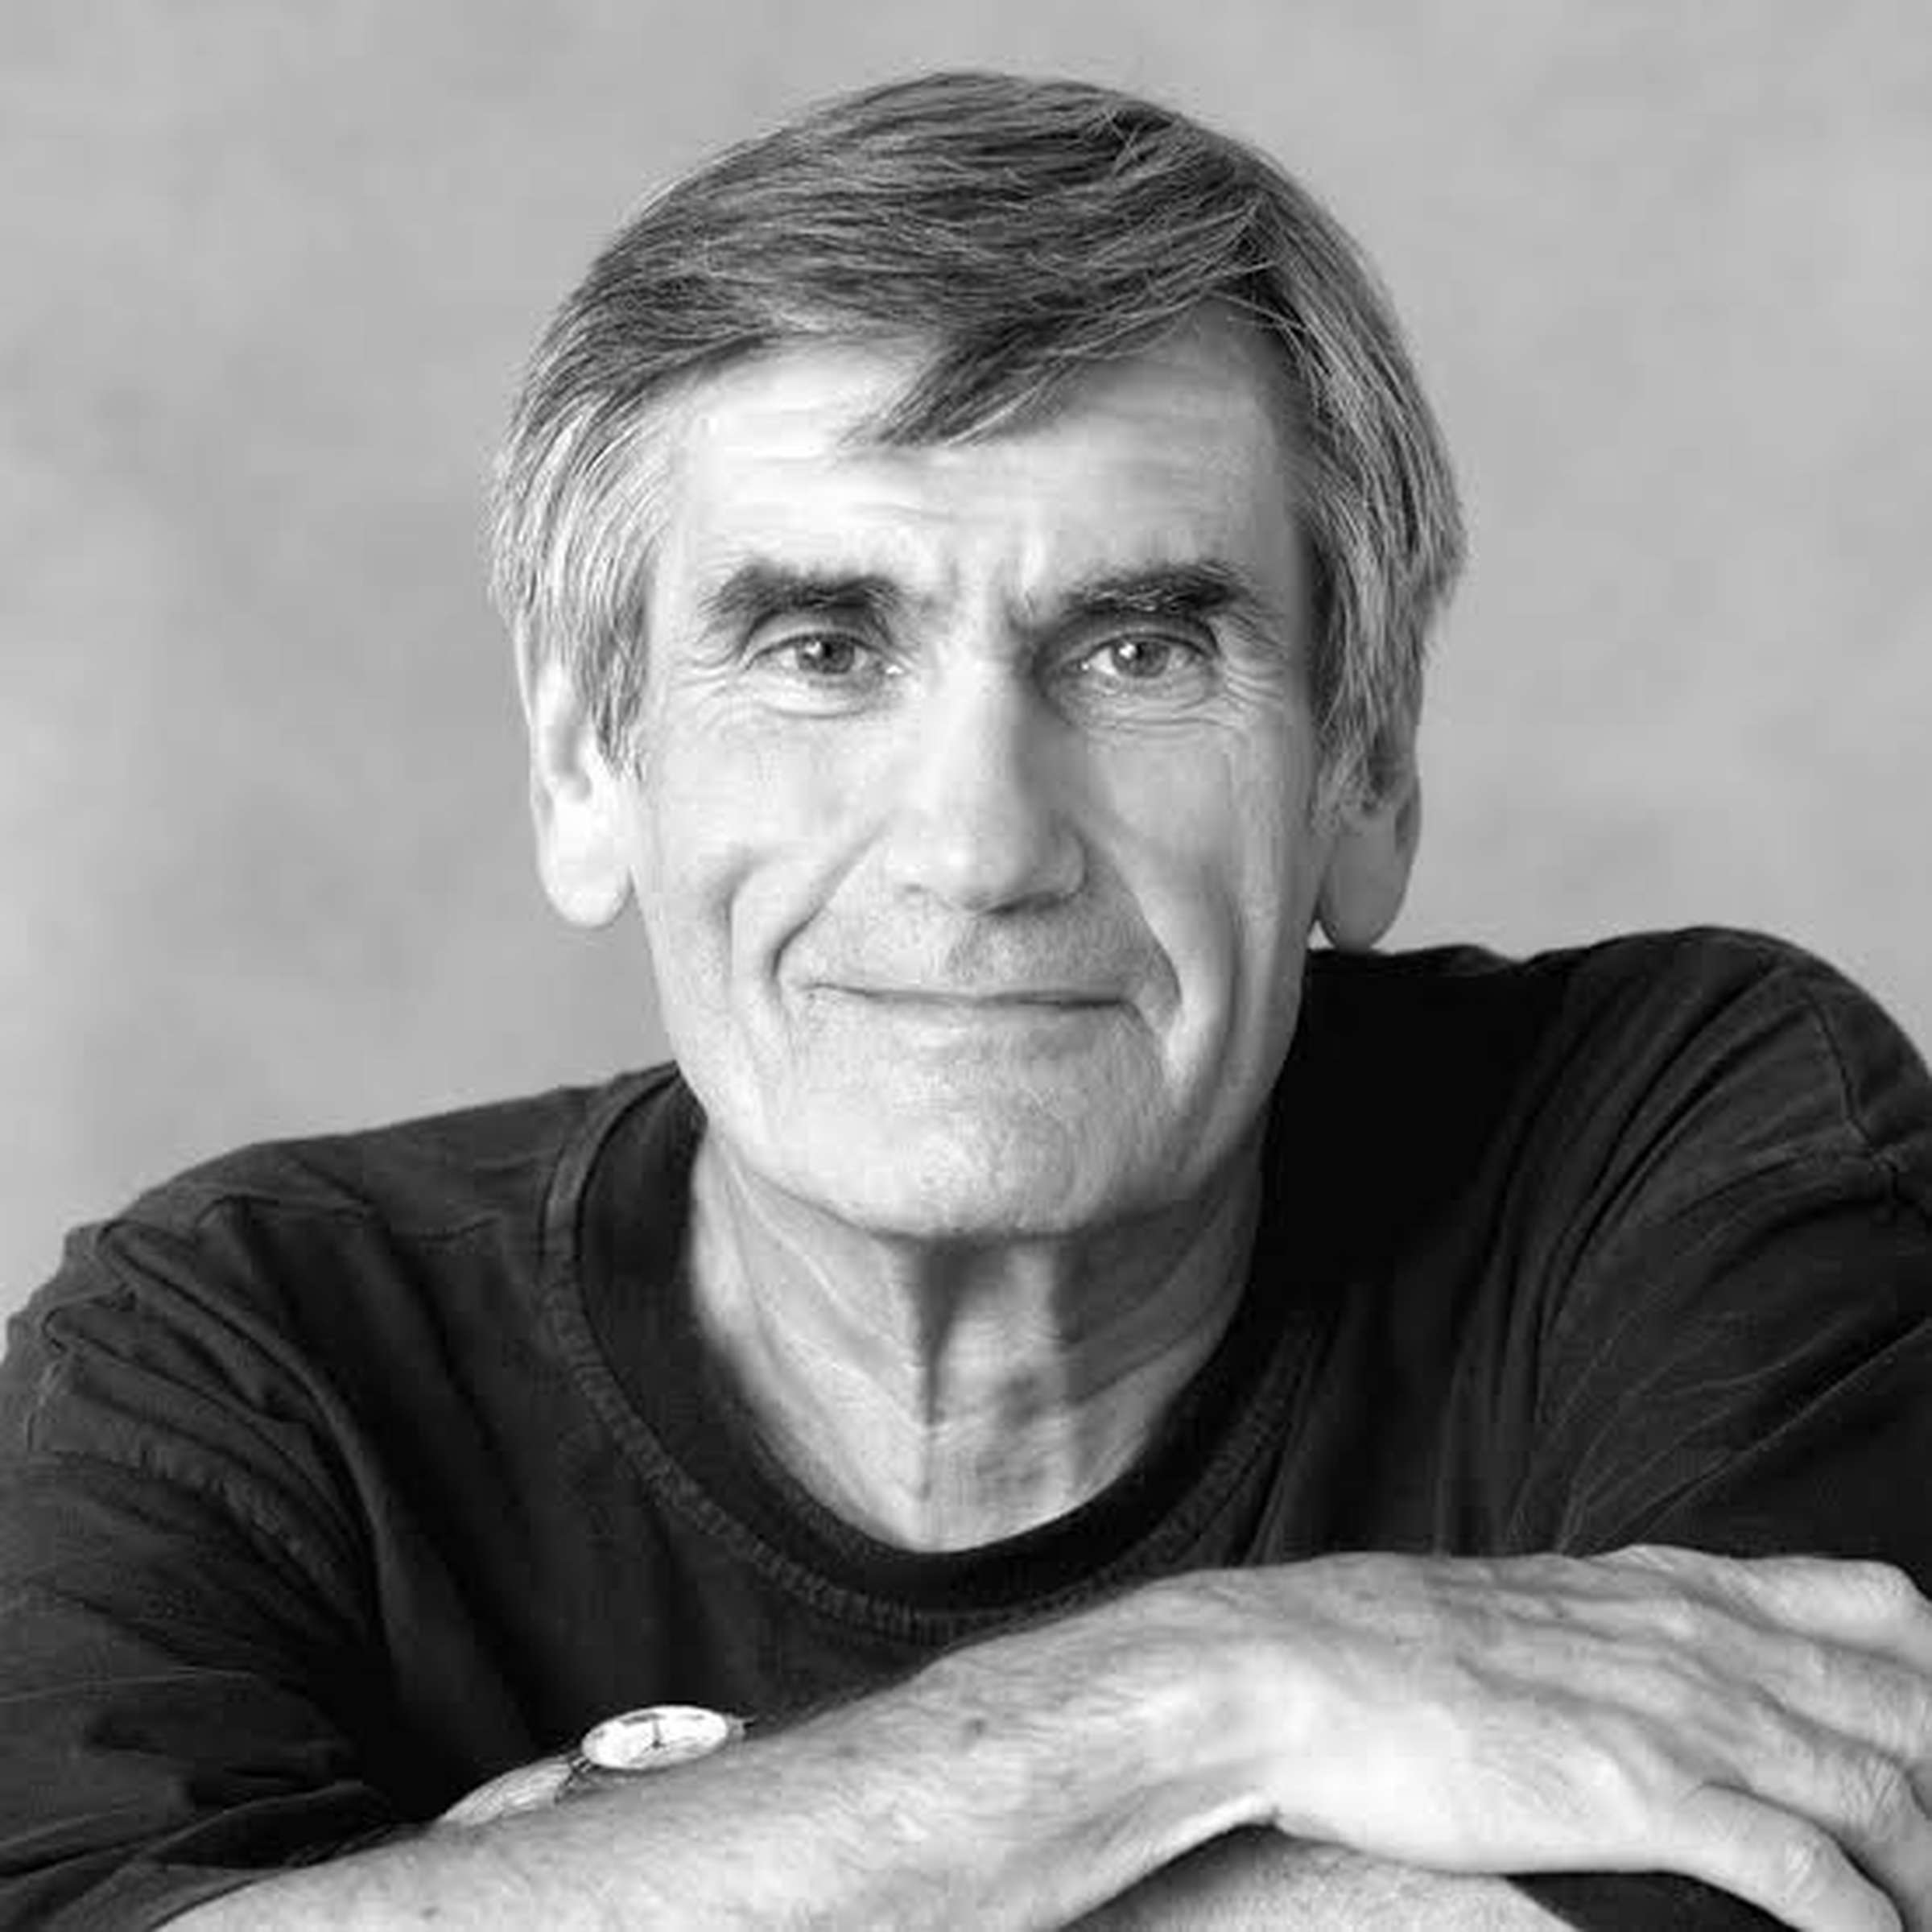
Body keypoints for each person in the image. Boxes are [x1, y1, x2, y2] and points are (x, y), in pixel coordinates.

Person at [2, 68, 1930, 1932]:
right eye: (822, 649)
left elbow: (1797, 1885)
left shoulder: (1691, 1146)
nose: (980, 846)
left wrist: (620, 1872)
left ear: (1364, 768)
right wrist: (1200, 1700)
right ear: (589, 765)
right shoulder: (243, 1360)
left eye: (1140, 648)